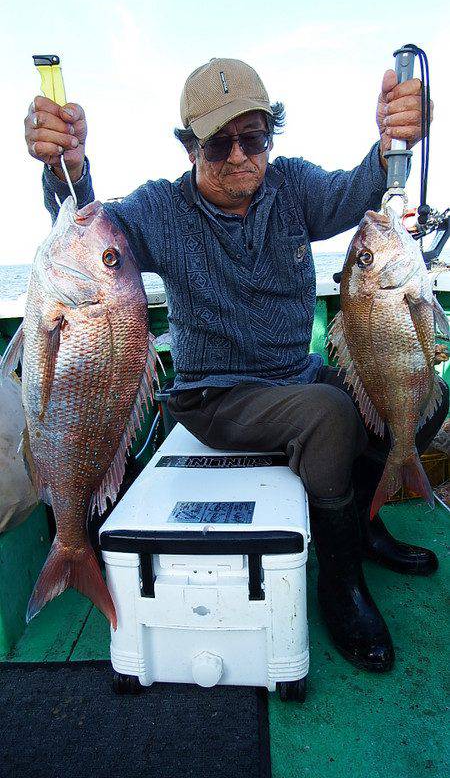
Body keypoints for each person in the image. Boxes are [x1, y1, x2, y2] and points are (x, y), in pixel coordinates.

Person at [24, 58, 448, 673]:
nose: (239, 155)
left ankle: (362, 521)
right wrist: (68, 169)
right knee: (331, 413)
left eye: (254, 138)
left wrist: (392, 141)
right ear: (191, 146)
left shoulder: (293, 187)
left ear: (270, 138)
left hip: (293, 377)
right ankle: (340, 583)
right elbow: (96, 235)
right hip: (216, 398)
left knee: (424, 399)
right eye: (218, 142)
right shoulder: (163, 210)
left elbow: (358, 191)